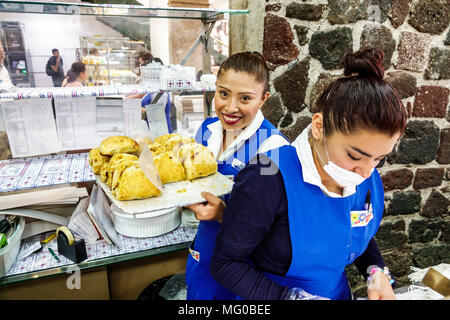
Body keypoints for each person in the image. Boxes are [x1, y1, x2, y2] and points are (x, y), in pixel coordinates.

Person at [209, 48, 407, 300]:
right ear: (319, 127)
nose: (366, 170)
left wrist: (375, 272)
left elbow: (358, 232)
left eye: (379, 158)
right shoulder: (266, 177)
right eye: (355, 156)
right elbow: (226, 263)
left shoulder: (366, 178)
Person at [185, 51, 290, 300]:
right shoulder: (207, 129)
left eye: (245, 98)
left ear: (263, 99)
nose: (230, 107)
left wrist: (224, 214)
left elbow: (278, 228)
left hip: (243, 266)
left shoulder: (272, 149)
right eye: (223, 94)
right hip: (204, 247)